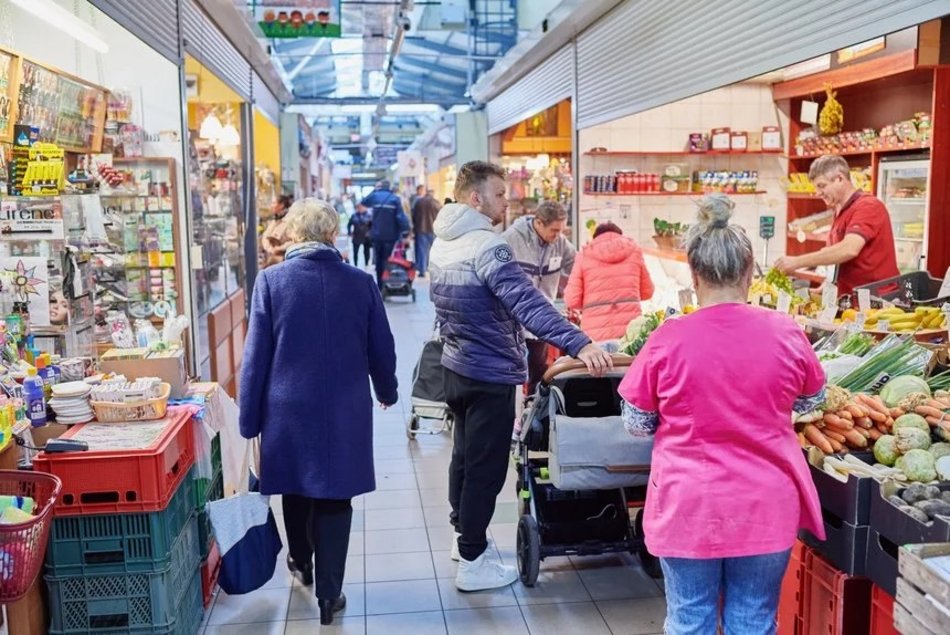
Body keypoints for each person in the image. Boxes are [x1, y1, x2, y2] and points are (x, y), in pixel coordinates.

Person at [617, 194, 825, 634]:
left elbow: (636, 423)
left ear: (693, 274)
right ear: (750, 271)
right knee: (753, 621)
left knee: (689, 621)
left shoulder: (667, 338)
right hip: (765, 503)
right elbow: (811, 402)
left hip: (688, 503)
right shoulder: (786, 331)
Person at [429, 160, 613, 592]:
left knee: (463, 457)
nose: (506, 202)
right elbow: (526, 304)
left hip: (454, 366)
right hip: (489, 372)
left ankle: (463, 538)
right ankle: (473, 560)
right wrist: (578, 343)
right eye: (498, 194)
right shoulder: (487, 246)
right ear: (475, 197)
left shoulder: (443, 242)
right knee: (486, 469)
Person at [239, 198, 398, 626]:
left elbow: (255, 357)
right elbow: (380, 346)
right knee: (335, 496)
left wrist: (249, 418)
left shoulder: (271, 282)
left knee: (295, 487)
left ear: (292, 234)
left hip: (287, 408)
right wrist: (388, 388)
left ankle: (301, 562)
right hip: (343, 408)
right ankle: (330, 594)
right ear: (332, 234)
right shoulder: (360, 282)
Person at [775, 155, 899, 298]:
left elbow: (849, 249)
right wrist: (829, 285)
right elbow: (838, 259)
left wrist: (796, 262)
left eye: (822, 186)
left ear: (840, 179)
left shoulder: (868, 206)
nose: (818, 193)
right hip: (851, 300)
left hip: (877, 300)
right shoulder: (840, 210)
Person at [502, 201, 576, 392]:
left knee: (539, 365)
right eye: (554, 230)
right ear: (539, 223)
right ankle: (514, 407)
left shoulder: (559, 243)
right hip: (513, 316)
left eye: (561, 230)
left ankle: (534, 407)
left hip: (541, 316)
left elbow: (576, 267)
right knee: (513, 366)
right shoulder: (511, 238)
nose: (557, 235)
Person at [563, 222, 654, 342]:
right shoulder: (634, 252)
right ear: (620, 235)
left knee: (599, 361)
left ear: (595, 237)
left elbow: (572, 299)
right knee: (627, 359)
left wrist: (591, 304)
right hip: (630, 331)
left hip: (595, 332)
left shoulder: (584, 255)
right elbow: (648, 292)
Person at [359, 180, 409, 287]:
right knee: (387, 259)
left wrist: (375, 190)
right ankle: (386, 284)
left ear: (380, 186)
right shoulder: (395, 198)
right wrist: (405, 232)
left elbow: (363, 202)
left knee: (378, 259)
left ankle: (380, 285)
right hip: (391, 236)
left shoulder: (375, 196)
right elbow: (400, 217)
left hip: (376, 235)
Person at [411, 189, 441, 277]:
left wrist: (414, 226)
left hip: (421, 229)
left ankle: (422, 270)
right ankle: (436, 270)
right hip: (434, 230)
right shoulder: (436, 202)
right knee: (435, 251)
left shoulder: (418, 202)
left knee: (422, 251)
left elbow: (413, 215)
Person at [261, 195, 294, 268]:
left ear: (281, 205)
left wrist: (279, 248)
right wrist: (270, 249)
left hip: (284, 262)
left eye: (273, 203)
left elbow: (295, 240)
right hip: (271, 260)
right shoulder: (274, 221)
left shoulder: (290, 220)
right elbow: (265, 236)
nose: (271, 206)